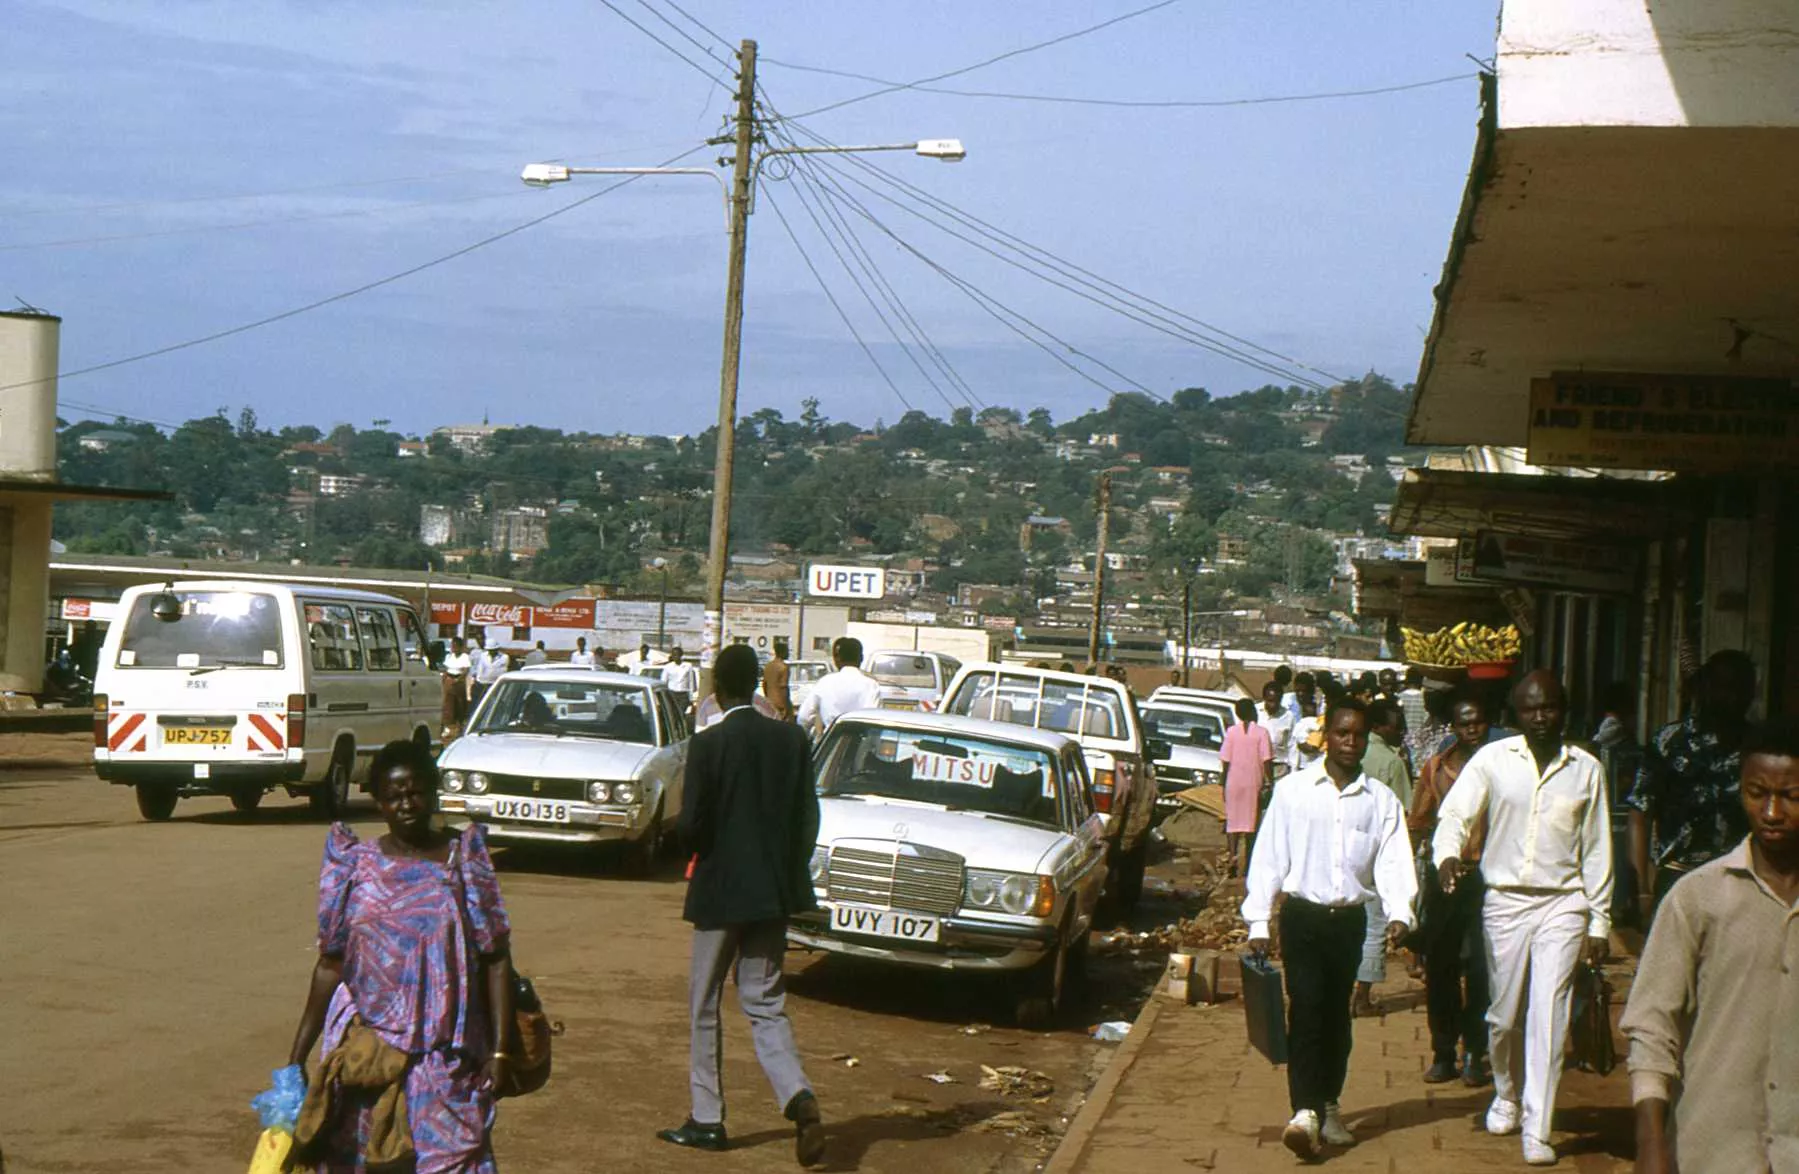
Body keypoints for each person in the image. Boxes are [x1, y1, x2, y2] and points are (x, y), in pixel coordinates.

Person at [284, 740, 514, 1172]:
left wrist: (500, 1052)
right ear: (378, 802)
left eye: (415, 791)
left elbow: (497, 958)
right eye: (394, 796)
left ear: (433, 791)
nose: (406, 804)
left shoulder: (463, 859)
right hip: (365, 1055)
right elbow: (330, 963)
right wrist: (296, 1057)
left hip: (445, 1060)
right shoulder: (354, 865)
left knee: (449, 1159)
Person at [1434, 671, 1613, 1168]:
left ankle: (1539, 1126)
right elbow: (1455, 815)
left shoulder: (1587, 769)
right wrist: (1447, 857)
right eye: (1531, 709)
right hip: (1506, 901)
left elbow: (1597, 849)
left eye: (1550, 707)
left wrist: (1599, 922)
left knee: (1548, 1015)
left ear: (1565, 711)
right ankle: (1507, 1093)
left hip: (1564, 903)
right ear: (1516, 714)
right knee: (1503, 1015)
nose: (1541, 717)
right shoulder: (1494, 760)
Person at [661, 645, 825, 1167]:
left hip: (721, 892)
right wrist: (788, 875)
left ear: (716, 689)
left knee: (704, 1001)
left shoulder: (708, 744)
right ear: (755, 684)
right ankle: (797, 1093)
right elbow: (808, 819)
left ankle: (707, 1118)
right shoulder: (792, 740)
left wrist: (695, 849)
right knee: (764, 999)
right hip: (773, 894)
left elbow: (692, 825)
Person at [1621, 718, 1799, 1174]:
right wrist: (1650, 1143)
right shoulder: (1696, 898)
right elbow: (1652, 1025)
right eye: (1757, 793)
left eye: (1792, 796)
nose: (1773, 813)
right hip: (1713, 1150)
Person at [1242, 698, 1416, 1161]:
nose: (1350, 742)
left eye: (1358, 735)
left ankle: (1330, 1105)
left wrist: (1401, 911)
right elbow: (1269, 856)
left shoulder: (1379, 801)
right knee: (1306, 1008)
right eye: (1342, 733)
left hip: (1349, 923)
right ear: (1326, 735)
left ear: (1366, 739)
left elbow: (1394, 859)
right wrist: (1258, 919)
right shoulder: (1294, 791)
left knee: (1338, 1017)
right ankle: (1304, 1111)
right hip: (1303, 918)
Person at [1626, 650, 1755, 925]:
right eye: (1723, 687)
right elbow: (1640, 813)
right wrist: (1643, 890)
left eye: (1740, 689)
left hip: (1742, 882)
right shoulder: (1669, 742)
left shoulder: (1758, 747)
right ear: (1705, 688)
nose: (1731, 698)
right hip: (1678, 878)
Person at [1408, 693, 1493, 1087]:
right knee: (1440, 966)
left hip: (1487, 877)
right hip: (1444, 876)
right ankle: (1443, 1051)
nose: (1471, 729)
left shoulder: (1502, 767)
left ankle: (1477, 1050)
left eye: (1477, 721)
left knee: (1480, 967)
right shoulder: (1436, 769)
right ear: (1454, 728)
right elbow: (1419, 820)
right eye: (1464, 722)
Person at [1352, 698, 1416, 1015]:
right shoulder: (1392, 762)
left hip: (1347, 853)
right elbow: (1406, 809)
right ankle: (1361, 996)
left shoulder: (1352, 754)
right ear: (1378, 726)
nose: (1400, 731)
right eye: (1395, 725)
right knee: (1375, 925)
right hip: (1378, 852)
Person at [1219, 697, 1274, 876]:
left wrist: (1223, 781)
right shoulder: (1262, 733)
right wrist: (1270, 781)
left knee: (1233, 822)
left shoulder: (1231, 732)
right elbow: (1266, 761)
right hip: (1253, 782)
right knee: (1251, 824)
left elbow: (1225, 760)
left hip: (1233, 782)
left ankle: (1232, 856)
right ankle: (1248, 863)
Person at [796, 637, 881, 739]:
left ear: (838, 658)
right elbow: (873, 720)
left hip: (830, 743)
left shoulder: (825, 682)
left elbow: (804, 717)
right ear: (861, 658)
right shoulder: (871, 685)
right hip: (858, 745)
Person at [1258, 681, 1296, 770]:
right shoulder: (1255, 713)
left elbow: (1292, 744)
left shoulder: (1288, 716)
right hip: (1259, 765)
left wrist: (1293, 769)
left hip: (1280, 766)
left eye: (1277, 701)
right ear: (1264, 698)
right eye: (1270, 701)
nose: (1273, 705)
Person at [440, 637, 472, 739]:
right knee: (447, 704)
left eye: (455, 646)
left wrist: (458, 680)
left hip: (459, 681)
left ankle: (459, 727)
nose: (453, 648)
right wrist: (443, 680)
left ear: (460, 647)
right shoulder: (449, 656)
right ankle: (448, 727)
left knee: (460, 704)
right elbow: (445, 670)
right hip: (449, 680)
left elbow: (466, 670)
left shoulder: (465, 657)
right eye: (452, 646)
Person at [662, 646, 700, 715]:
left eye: (677, 655)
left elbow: (691, 681)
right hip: (672, 694)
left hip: (683, 694)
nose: (675, 657)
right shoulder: (668, 667)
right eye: (674, 655)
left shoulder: (688, 666)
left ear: (681, 655)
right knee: (672, 713)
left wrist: (691, 697)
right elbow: (664, 681)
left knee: (681, 713)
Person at [470, 640, 507, 711]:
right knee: (479, 704)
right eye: (489, 650)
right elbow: (480, 669)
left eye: (493, 650)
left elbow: (502, 671)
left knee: (494, 705)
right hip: (482, 684)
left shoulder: (504, 657)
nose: (491, 652)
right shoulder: (483, 656)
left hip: (495, 684)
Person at [762, 639, 794, 721]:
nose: (788, 653)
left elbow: (764, 685)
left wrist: (767, 698)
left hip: (769, 702)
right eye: (787, 651)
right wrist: (786, 706)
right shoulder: (784, 667)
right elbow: (783, 687)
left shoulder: (768, 666)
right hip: (781, 703)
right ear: (782, 652)